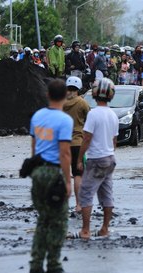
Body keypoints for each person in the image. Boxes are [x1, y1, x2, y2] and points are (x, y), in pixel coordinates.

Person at [27, 79, 73, 273]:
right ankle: (54, 265)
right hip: (54, 173)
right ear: (65, 96)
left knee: (43, 219)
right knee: (59, 222)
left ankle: (36, 264)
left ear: (47, 95)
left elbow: (34, 147)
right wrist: (68, 180)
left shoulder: (37, 116)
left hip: (38, 171)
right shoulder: (64, 120)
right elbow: (64, 153)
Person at [75, 78, 119, 240]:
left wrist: (80, 158)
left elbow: (86, 138)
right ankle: (105, 229)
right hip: (110, 158)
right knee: (107, 194)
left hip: (96, 159)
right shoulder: (113, 115)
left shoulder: (93, 114)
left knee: (85, 194)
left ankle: (85, 230)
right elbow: (114, 141)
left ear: (94, 94)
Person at [63, 77, 90, 213]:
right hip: (77, 143)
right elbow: (90, 119)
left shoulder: (60, 103)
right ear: (79, 88)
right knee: (78, 174)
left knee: (64, 175)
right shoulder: (82, 103)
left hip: (61, 143)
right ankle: (79, 205)